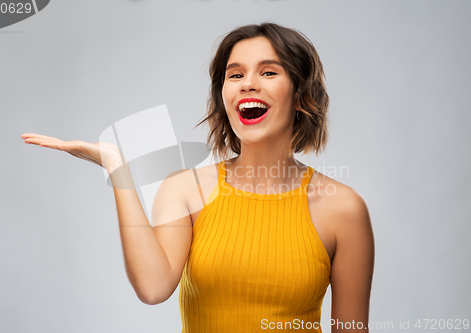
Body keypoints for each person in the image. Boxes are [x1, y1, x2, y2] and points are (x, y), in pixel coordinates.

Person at [21, 22, 374, 332]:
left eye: (268, 72)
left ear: (301, 95)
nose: (248, 84)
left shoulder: (343, 209)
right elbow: (153, 287)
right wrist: (119, 170)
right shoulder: (185, 188)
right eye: (235, 75)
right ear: (223, 96)